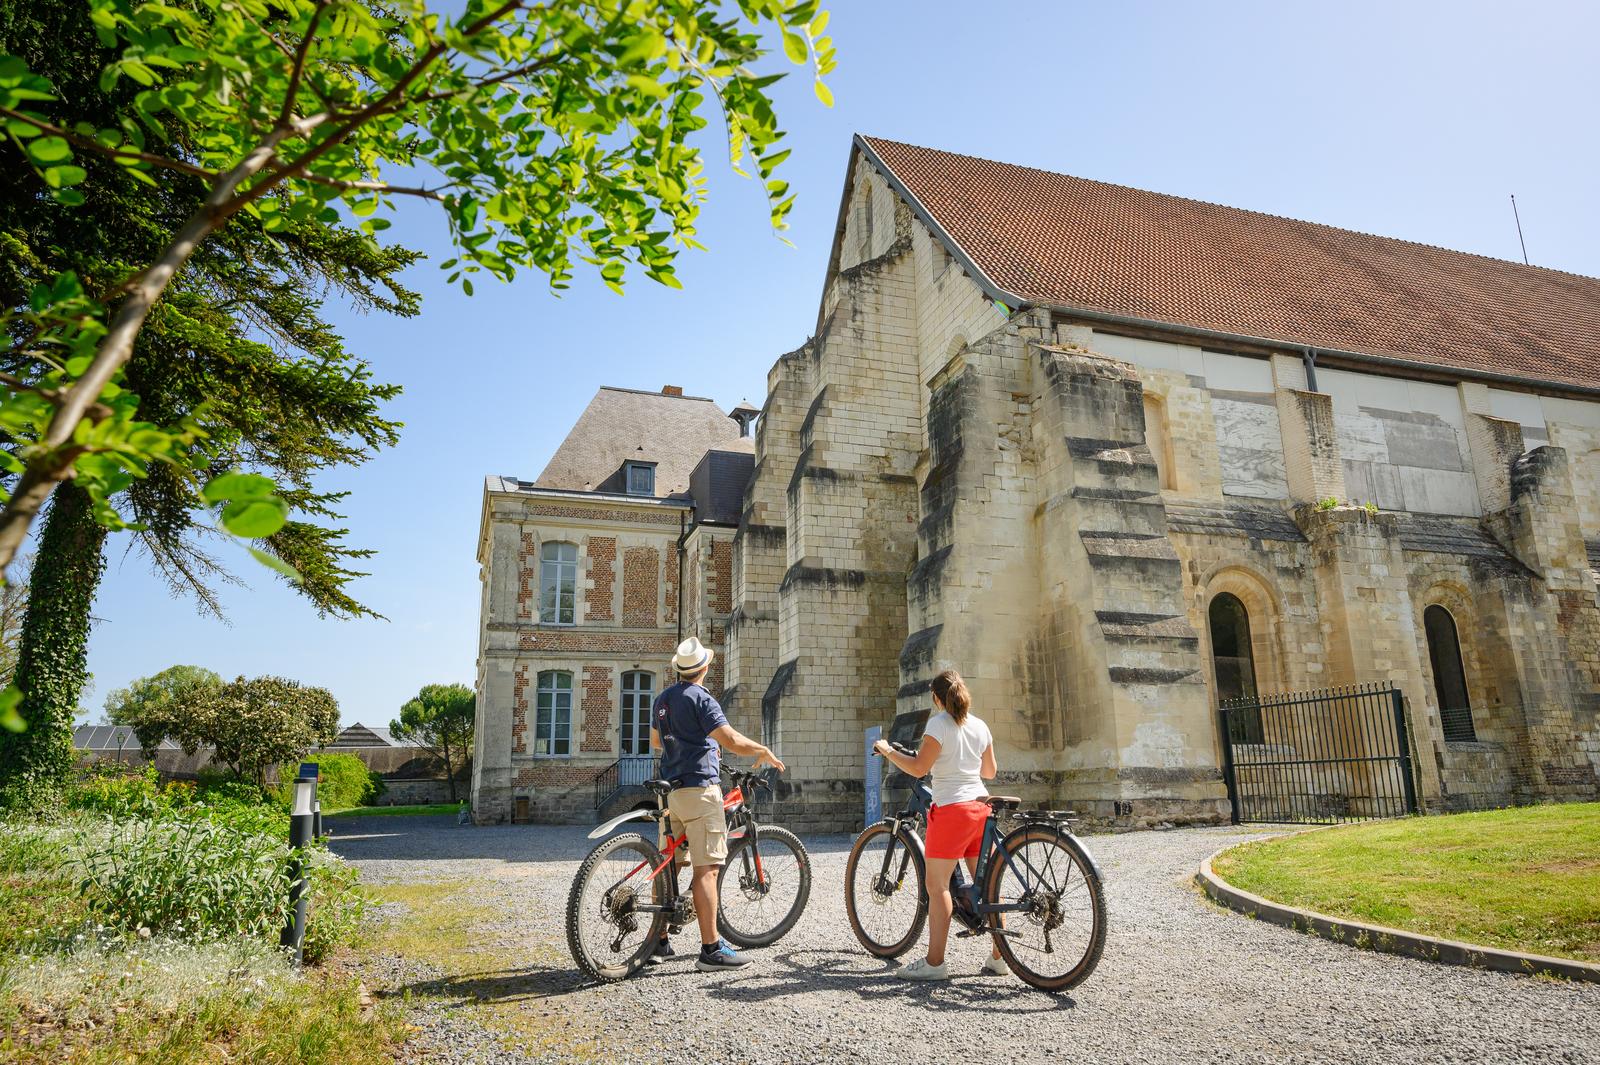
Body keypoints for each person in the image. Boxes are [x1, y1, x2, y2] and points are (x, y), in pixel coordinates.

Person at [649, 636, 785, 972]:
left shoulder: (663, 699)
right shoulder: (702, 699)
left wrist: (689, 744)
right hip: (699, 791)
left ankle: (658, 940)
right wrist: (762, 750)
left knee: (668, 863)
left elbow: (656, 742)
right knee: (707, 869)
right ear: (705, 668)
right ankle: (711, 950)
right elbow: (732, 740)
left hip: (670, 793)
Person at [873, 668, 1005, 981]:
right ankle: (999, 956)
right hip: (981, 809)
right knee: (987, 887)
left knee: (938, 886)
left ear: (936, 698)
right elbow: (989, 771)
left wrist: (889, 751)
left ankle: (935, 963)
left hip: (952, 811)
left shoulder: (939, 724)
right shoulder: (980, 725)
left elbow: (919, 769)